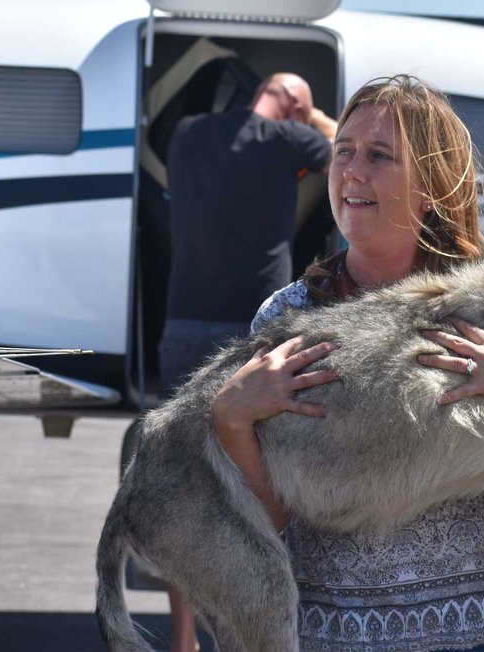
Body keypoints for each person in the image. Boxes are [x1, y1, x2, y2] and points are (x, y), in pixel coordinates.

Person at [210, 74, 484, 651]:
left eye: (380, 156)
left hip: (479, 636)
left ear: (432, 187)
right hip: (333, 637)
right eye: (343, 151)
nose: (352, 171)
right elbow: (267, 523)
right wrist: (232, 419)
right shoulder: (284, 319)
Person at [160, 72, 338, 652]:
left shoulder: (187, 134)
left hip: (182, 326)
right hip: (249, 336)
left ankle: (184, 641)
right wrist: (311, 120)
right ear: (291, 104)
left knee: (186, 489)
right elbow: (350, 154)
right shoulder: (291, 142)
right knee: (249, 493)